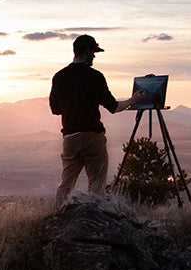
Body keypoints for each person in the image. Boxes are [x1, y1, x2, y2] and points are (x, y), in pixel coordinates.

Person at [48, 34, 146, 207]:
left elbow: (55, 110)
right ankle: (94, 220)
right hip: (92, 138)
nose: (94, 56)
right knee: (96, 184)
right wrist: (134, 100)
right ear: (86, 51)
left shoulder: (59, 77)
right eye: (93, 52)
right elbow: (114, 107)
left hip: (69, 138)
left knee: (66, 183)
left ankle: (57, 215)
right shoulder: (95, 76)